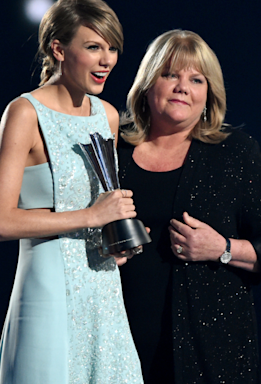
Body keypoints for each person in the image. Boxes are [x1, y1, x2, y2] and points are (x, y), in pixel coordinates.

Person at [118, 29, 261, 383]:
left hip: (209, 355)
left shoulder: (234, 153)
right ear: (147, 84)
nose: (182, 87)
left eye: (195, 79)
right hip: (119, 345)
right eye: (170, 74)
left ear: (208, 94)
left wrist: (223, 248)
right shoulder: (114, 151)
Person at [0, 0, 143, 383]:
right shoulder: (24, 112)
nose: (107, 60)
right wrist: (91, 217)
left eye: (112, 48)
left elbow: (101, 202)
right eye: (94, 47)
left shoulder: (107, 116)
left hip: (103, 287)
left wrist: (112, 236)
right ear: (58, 49)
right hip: (46, 287)